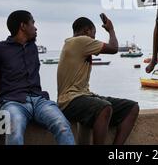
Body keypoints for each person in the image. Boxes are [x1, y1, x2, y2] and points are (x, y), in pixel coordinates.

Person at [0, 10, 75, 145]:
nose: (35, 27)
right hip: (12, 101)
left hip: (39, 100)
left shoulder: (32, 47)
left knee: (62, 125)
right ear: (23, 26)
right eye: (32, 23)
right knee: (14, 129)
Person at [57, 14, 139, 145]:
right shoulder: (80, 41)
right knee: (104, 108)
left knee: (132, 107)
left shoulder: (74, 44)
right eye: (93, 34)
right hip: (69, 101)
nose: (94, 39)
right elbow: (114, 48)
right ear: (87, 31)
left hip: (84, 95)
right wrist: (111, 30)